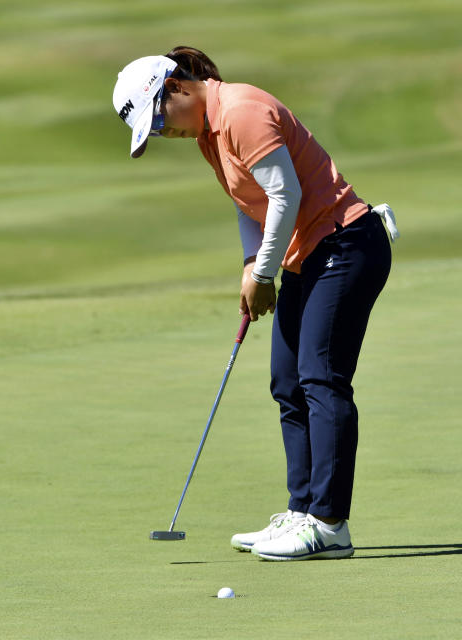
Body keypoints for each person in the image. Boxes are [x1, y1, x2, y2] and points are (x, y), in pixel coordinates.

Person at [113, 47, 397, 560]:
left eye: (157, 121)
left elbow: (285, 195)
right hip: (307, 256)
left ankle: (330, 525)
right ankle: (303, 510)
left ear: (175, 88)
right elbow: (252, 204)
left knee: (321, 377)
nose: (162, 134)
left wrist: (263, 274)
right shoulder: (207, 134)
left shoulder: (240, 111)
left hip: (346, 244)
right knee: (287, 380)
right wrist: (252, 263)